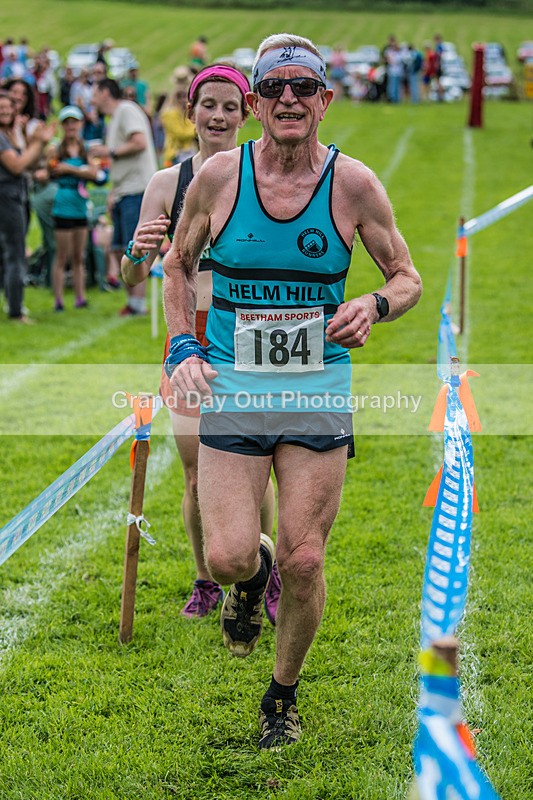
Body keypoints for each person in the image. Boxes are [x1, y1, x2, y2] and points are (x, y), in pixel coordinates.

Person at [162, 33, 422, 750]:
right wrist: (183, 344)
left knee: (305, 558)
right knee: (227, 557)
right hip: (235, 384)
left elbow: (406, 276)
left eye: (303, 86)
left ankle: (281, 695)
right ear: (255, 102)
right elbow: (177, 266)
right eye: (274, 87)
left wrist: (373, 304)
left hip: (316, 387)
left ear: (323, 100)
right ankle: (250, 582)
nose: (288, 99)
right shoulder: (220, 178)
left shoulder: (353, 184)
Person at [119, 64, 278, 621]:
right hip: (189, 334)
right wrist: (137, 252)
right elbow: (132, 277)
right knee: (196, 472)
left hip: (247, 334)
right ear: (190, 112)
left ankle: (263, 573)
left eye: (230, 107)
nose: (218, 115)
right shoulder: (167, 184)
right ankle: (206, 579)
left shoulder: (263, 177)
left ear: (246, 114)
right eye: (208, 104)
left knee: (254, 465)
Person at [91, 77, 158, 316]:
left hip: (137, 190)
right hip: (123, 191)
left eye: (94, 94)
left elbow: (139, 142)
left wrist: (108, 151)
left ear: (105, 93)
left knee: (134, 248)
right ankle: (132, 302)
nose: (92, 100)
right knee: (120, 248)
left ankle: (138, 304)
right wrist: (113, 192)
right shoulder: (116, 117)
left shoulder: (126, 109)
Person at [0, 91, 55, 322]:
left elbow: (27, 164)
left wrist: (38, 142)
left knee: (11, 252)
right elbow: (17, 165)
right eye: (1, 107)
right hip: (7, 199)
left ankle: (13, 303)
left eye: (8, 107)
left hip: (15, 197)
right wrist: (39, 142)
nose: (5, 111)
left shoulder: (9, 134)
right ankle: (16, 311)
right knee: (15, 253)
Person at [47, 105, 104, 311]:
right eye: (67, 122)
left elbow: (95, 174)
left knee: (79, 255)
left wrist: (69, 169)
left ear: (80, 124)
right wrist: (81, 170)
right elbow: (52, 171)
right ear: (63, 126)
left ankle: (80, 297)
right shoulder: (55, 149)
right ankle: (58, 300)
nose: (71, 126)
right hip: (63, 204)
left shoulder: (86, 148)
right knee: (62, 255)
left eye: (74, 122)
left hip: (80, 205)